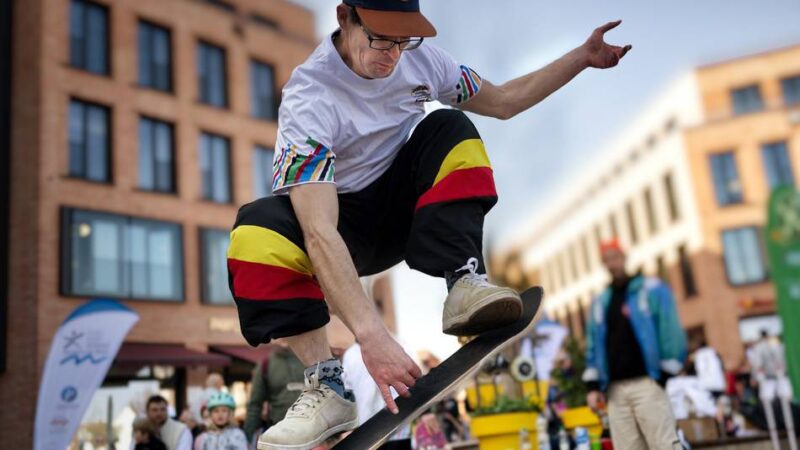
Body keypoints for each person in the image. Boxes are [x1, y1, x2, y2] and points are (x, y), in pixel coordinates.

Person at [226, 1, 632, 448]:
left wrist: (582, 57)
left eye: (403, 41)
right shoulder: (308, 96)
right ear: (345, 19)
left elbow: (502, 101)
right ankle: (326, 385)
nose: (392, 54)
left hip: (406, 208)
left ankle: (463, 282)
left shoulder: (423, 59)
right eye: (379, 38)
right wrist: (372, 338)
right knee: (255, 231)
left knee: (450, 127)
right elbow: (319, 233)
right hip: (340, 229)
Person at [582, 239, 687, 449]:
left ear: (624, 257)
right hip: (615, 390)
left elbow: (670, 328)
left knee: (664, 444)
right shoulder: (600, 302)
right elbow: (593, 343)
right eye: (607, 259)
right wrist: (593, 386)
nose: (612, 264)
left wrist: (667, 371)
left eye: (615, 257)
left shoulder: (651, 290)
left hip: (647, 383)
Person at [242, 343, 305, 442]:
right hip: (279, 432)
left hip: (310, 433)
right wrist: (247, 439)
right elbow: (255, 405)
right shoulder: (265, 364)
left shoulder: (311, 360)